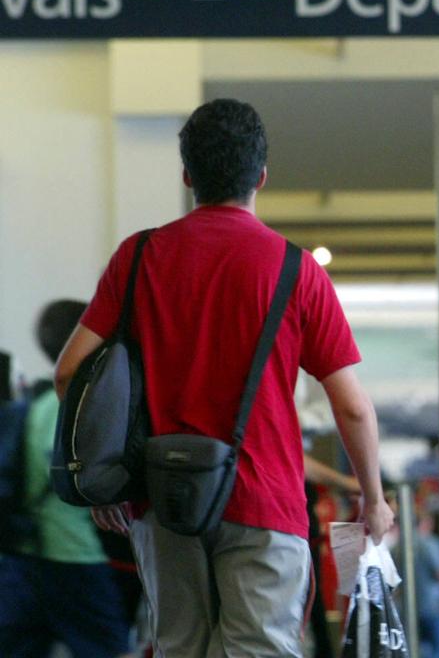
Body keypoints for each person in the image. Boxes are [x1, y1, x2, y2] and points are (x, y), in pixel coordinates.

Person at [56, 98, 395, 658]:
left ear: (187, 175)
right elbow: (352, 407)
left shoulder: (137, 258)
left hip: (162, 501)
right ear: (261, 176)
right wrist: (374, 499)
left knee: (178, 647)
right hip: (264, 501)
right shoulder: (296, 270)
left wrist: (108, 477)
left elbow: (71, 372)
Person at [0, 300, 133, 658]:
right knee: (108, 649)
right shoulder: (88, 407)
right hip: (75, 556)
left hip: (22, 557)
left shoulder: (34, 405)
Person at [414, 511, 439, 658]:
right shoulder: (431, 545)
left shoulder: (398, 545)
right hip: (432, 606)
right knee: (436, 650)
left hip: (408, 607)